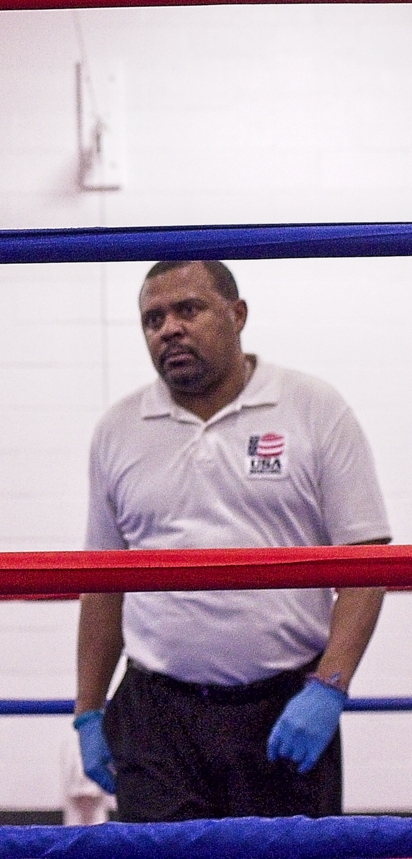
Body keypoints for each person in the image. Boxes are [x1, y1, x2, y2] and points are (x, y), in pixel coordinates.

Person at [74, 259, 390, 821]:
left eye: (188, 310)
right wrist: (87, 711)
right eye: (152, 319)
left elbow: (364, 564)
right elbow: (102, 583)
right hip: (156, 717)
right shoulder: (118, 429)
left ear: (237, 314)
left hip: (282, 705)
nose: (169, 328)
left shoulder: (314, 408)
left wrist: (329, 688)